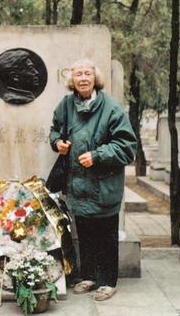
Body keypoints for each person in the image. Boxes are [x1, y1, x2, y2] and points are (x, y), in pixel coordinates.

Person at [48, 59, 136, 301]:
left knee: (106, 235)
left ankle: (107, 281)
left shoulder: (112, 108)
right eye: (78, 74)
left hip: (104, 185)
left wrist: (98, 155)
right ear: (72, 80)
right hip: (77, 184)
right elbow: (54, 130)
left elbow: (127, 147)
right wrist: (58, 143)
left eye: (88, 73)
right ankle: (88, 276)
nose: (83, 78)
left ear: (95, 79)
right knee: (85, 233)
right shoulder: (66, 105)